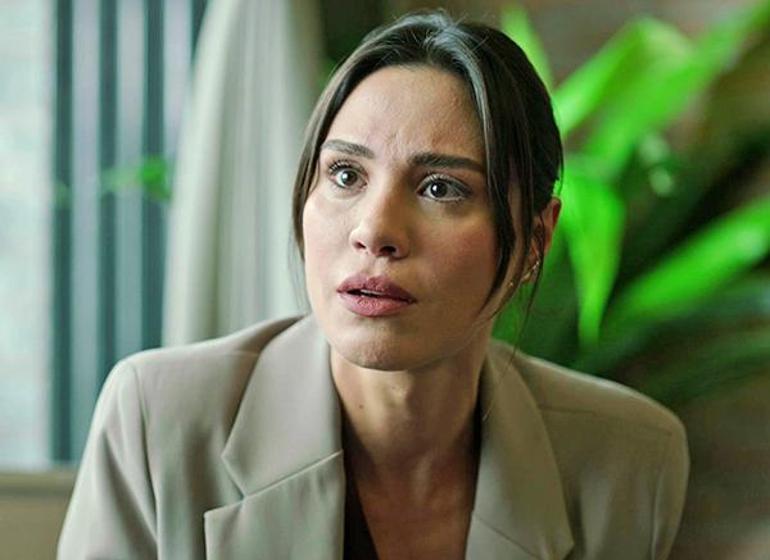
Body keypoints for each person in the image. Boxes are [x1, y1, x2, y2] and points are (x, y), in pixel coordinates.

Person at [58, 11, 688, 560]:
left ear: (534, 241)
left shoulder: (630, 459)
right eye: (345, 175)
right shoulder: (160, 421)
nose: (374, 230)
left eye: (441, 188)